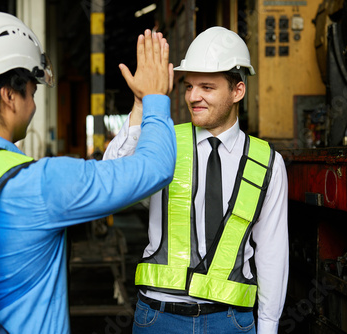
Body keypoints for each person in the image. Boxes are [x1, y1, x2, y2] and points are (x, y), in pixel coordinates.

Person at [0, 11, 176, 334]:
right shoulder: (41, 183)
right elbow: (154, 168)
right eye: (32, 90)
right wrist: (155, 98)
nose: (33, 103)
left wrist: (139, 106)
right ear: (9, 95)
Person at [104, 26, 289, 333]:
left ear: (238, 91)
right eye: (189, 86)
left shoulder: (267, 162)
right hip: (158, 318)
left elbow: (272, 253)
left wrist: (268, 327)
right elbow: (112, 183)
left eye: (207, 87)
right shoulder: (166, 143)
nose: (193, 97)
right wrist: (140, 104)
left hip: (230, 321)